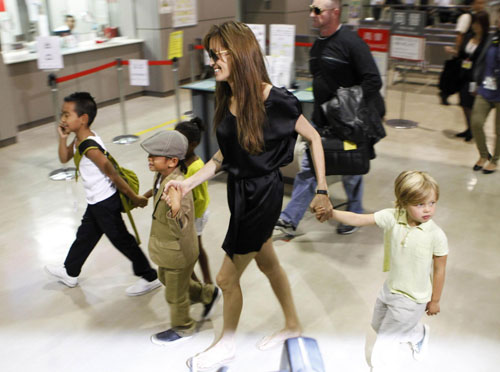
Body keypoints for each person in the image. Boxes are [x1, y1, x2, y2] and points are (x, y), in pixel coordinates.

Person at [164, 21, 332, 371]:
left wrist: (322, 188)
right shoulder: (228, 97)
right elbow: (223, 157)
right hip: (241, 194)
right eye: (210, 54)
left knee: (226, 278)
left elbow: (314, 137)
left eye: (217, 53)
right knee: (269, 263)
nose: (212, 61)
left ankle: (226, 345)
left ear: (239, 52)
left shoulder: (276, 99)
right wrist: (187, 184)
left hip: (263, 195)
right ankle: (293, 325)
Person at [315, 171, 448, 370]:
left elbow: (439, 269)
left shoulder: (436, 235)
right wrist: (331, 213)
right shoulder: (392, 217)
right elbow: (358, 219)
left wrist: (435, 300)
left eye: (432, 203)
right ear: (403, 202)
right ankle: (417, 333)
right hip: (390, 289)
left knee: (385, 342)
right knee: (378, 325)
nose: (427, 209)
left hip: (412, 299)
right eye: (419, 204)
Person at [276, 0, 385, 236]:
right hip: (321, 120)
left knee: (350, 171)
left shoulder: (352, 43)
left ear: (335, 12)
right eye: (310, 9)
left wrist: (344, 104)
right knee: (308, 166)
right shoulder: (318, 45)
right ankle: (290, 218)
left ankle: (354, 216)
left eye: (317, 10)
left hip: (347, 122)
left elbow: (373, 81)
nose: (312, 14)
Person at [45, 92, 161, 296]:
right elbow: (64, 158)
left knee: (122, 240)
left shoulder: (90, 147)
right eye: (62, 115)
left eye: (66, 115)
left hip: (105, 203)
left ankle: (150, 277)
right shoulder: (81, 138)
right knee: (85, 237)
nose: (62, 119)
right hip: (97, 201)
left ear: (83, 119)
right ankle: (70, 272)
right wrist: (63, 138)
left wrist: (135, 198)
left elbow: (114, 175)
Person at [140, 130, 220, 345]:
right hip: (167, 249)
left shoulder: (178, 188)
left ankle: (183, 327)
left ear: (172, 161)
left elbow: (183, 226)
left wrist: (175, 209)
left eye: (154, 155)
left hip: (177, 251)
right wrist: (146, 196)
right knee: (166, 279)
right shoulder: (162, 176)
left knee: (174, 295)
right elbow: (156, 190)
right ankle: (207, 294)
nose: (149, 158)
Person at [175, 118, 213, 284]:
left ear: (194, 144)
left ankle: (206, 284)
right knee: (188, 251)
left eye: (181, 142)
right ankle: (199, 285)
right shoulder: (179, 160)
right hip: (185, 215)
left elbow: (200, 199)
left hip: (194, 216)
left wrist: (187, 220)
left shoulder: (196, 167)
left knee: (192, 251)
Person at [440, 0, 486, 105]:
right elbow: (460, 35)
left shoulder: (478, 17)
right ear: (473, 4)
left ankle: (461, 96)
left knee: (463, 77)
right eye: (479, 3)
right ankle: (445, 94)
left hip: (469, 54)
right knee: (457, 76)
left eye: (483, 3)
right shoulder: (467, 17)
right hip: (464, 53)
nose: (482, 6)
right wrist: (457, 50)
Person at [470, 9, 500, 174]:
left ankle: (495, 160)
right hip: (486, 88)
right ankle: (483, 154)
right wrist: (476, 82)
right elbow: (481, 61)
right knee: (476, 122)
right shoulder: (492, 38)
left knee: (499, 130)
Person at [456, 11, 490, 141]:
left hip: (476, 78)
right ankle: (468, 128)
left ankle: (473, 130)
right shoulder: (469, 36)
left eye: (478, 23)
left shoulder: (487, 41)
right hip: (464, 74)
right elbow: (463, 53)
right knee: (464, 103)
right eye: (474, 23)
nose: (475, 26)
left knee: (472, 105)